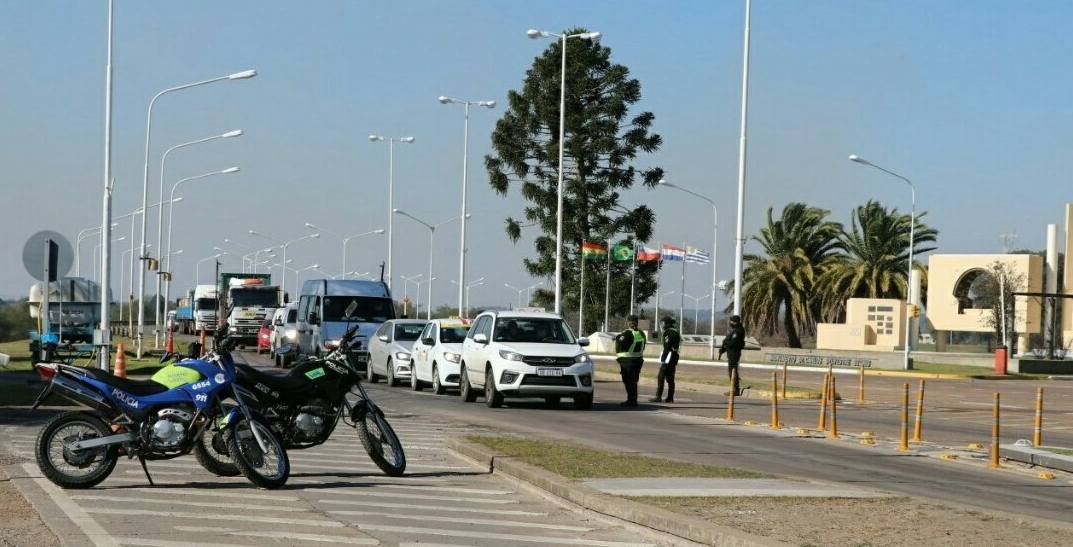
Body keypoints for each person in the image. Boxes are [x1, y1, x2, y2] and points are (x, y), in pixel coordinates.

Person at [615, 314, 646, 407]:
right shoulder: (641, 333)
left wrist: (617, 337)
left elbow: (621, 342)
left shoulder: (627, 333)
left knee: (628, 381)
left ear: (629, 322)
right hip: (638, 360)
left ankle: (631, 400)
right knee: (633, 381)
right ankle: (633, 399)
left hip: (627, 361)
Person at [650, 316, 681, 403]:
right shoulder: (675, 331)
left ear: (667, 324)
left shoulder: (669, 333)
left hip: (669, 355)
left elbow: (667, 346)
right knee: (670, 378)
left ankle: (658, 396)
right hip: (674, 356)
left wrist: (663, 357)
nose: (662, 325)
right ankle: (670, 397)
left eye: (663, 323)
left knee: (661, 376)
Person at [718, 314, 746, 396]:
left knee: (733, 371)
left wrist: (725, 341)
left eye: (731, 321)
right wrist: (723, 349)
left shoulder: (738, 330)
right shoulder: (734, 330)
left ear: (735, 322)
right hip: (731, 353)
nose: (730, 323)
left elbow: (733, 343)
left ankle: (734, 389)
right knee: (731, 371)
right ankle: (733, 388)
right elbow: (729, 343)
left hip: (734, 353)